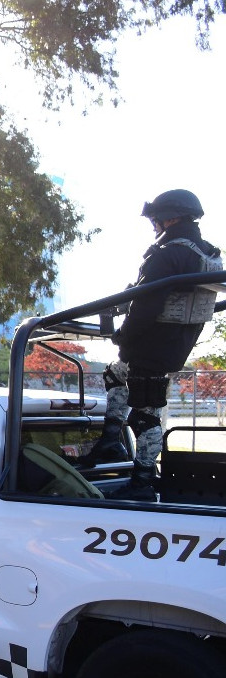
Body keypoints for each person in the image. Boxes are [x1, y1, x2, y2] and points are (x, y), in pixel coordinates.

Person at [89, 189, 221, 501]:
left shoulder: (168, 254)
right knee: (115, 373)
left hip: (151, 347)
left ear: (169, 218)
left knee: (145, 415)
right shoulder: (209, 255)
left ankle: (143, 481)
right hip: (176, 345)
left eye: (155, 219)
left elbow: (145, 306)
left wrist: (123, 337)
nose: (153, 225)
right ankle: (111, 441)